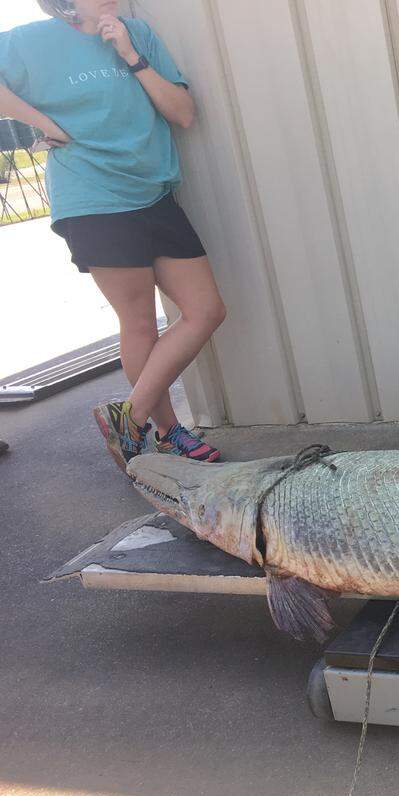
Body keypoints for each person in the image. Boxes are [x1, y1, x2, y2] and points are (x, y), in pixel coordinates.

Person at [0, 0, 226, 471]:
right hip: (93, 199)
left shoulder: (135, 33)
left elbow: (183, 113)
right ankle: (167, 435)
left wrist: (130, 55)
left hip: (154, 192)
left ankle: (130, 417)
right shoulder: (28, 42)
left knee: (206, 310)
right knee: (140, 322)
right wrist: (40, 122)